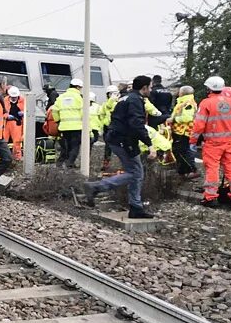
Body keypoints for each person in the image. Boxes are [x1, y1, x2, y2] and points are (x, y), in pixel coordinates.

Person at [82, 75, 156, 219]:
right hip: (124, 140)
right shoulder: (135, 101)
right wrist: (150, 144)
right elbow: (137, 125)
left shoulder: (125, 98)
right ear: (144, 88)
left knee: (136, 173)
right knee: (135, 173)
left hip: (116, 138)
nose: (151, 89)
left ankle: (136, 207)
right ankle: (97, 187)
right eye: (150, 87)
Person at [190, 75, 231, 210]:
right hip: (230, 142)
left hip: (213, 143)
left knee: (212, 169)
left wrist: (193, 140)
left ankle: (211, 197)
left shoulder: (206, 103)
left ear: (209, 88)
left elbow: (199, 125)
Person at [51, 78, 85, 168]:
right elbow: (83, 112)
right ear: (78, 87)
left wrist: (58, 121)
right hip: (76, 127)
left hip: (64, 127)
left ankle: (64, 163)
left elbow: (54, 110)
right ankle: (70, 163)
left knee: (67, 145)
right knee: (75, 146)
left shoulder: (61, 97)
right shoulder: (79, 98)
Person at [167, 85, 198, 178]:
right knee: (180, 151)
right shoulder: (183, 102)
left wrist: (174, 119)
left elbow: (187, 117)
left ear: (182, 93)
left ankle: (191, 170)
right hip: (179, 131)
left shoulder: (187, 103)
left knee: (183, 151)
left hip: (184, 131)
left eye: (179, 91)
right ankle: (182, 171)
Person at [99, 85, 121, 173]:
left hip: (116, 127)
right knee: (108, 146)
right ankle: (106, 162)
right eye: (110, 94)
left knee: (120, 146)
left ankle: (123, 163)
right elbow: (102, 113)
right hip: (107, 127)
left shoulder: (119, 103)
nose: (112, 95)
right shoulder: (105, 104)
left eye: (114, 93)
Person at [5, 86, 26, 161]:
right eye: (12, 97)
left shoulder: (22, 100)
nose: (14, 98)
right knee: (3, 141)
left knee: (17, 141)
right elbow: (1, 111)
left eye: (15, 97)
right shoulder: (5, 100)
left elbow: (27, 111)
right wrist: (7, 116)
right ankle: (2, 158)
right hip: (6, 123)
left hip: (17, 123)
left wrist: (23, 113)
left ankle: (17, 158)